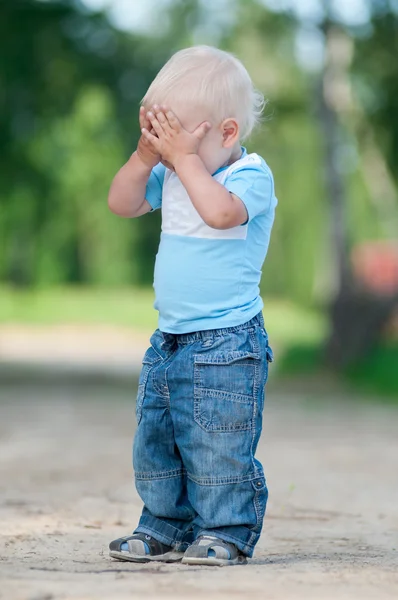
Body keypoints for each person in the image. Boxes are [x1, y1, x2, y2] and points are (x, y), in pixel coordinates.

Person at [107, 45, 277, 566]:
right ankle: (163, 523)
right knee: (158, 440)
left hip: (229, 342)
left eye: (180, 138)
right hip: (170, 339)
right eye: (162, 136)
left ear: (226, 134)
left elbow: (222, 215)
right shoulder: (178, 173)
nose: (170, 152)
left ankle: (226, 529)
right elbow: (122, 202)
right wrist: (146, 158)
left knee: (218, 447)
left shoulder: (248, 177)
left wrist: (183, 160)